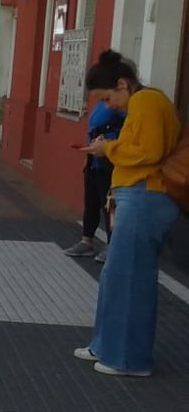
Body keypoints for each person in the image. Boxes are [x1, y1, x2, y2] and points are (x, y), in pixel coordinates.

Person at [76, 50, 182, 378]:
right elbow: (143, 145)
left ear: (123, 85)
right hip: (136, 196)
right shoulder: (143, 103)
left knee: (130, 279)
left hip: (145, 196)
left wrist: (108, 148)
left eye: (108, 98)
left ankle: (127, 358)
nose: (109, 106)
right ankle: (106, 344)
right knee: (115, 277)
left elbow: (149, 151)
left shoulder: (146, 102)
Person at [64, 97, 126, 262]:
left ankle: (112, 245)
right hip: (94, 160)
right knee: (90, 202)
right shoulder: (101, 103)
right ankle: (86, 241)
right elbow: (92, 128)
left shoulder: (122, 105)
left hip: (110, 160)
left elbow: (126, 133)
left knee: (110, 206)